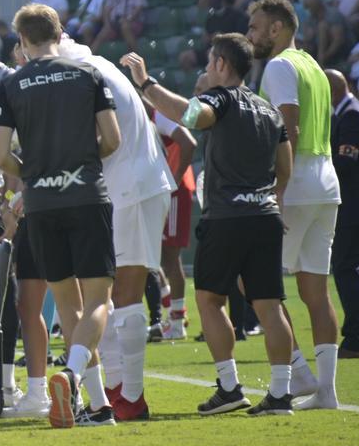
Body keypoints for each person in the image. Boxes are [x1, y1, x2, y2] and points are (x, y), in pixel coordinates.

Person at [122, 34, 297, 417]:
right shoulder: (270, 111)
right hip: (265, 214)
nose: (206, 68)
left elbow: (190, 116)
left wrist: (146, 83)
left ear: (221, 64)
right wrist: (268, 198)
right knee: (271, 305)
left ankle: (229, 386)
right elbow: (285, 170)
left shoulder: (220, 99)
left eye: (209, 62)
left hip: (228, 216)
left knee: (210, 300)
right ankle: (281, 394)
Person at [0, 3, 122, 428]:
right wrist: (78, 164)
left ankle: (97, 406)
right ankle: (70, 374)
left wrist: (33, 172)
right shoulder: (88, 74)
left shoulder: (14, 82)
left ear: (22, 41)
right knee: (101, 300)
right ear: (59, 33)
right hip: (86, 195)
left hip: (42, 206)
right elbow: (112, 140)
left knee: (69, 305)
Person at [60, 34, 175, 422]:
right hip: (127, 187)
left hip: (130, 188)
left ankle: (132, 397)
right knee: (104, 293)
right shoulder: (94, 65)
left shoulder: (80, 71)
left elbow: (101, 138)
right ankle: (115, 389)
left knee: (125, 292)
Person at [246, 0, 342, 410]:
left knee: (253, 280)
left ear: (277, 29)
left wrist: (277, 183)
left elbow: (289, 122)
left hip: (296, 184)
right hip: (326, 185)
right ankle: (328, 391)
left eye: (255, 27)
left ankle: (298, 374)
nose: (250, 34)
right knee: (316, 292)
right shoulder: (316, 68)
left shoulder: (280, 66)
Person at [325, 69, 359, 359]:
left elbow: (347, 161)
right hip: (355, 206)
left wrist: (320, 163)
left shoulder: (351, 114)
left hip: (353, 207)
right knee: (354, 270)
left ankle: (356, 337)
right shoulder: (350, 111)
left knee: (346, 269)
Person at [153, 109, 197, 341]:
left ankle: (178, 321)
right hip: (160, 190)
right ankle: (173, 311)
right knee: (154, 255)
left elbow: (189, 142)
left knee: (170, 256)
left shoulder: (159, 114)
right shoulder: (146, 114)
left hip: (174, 191)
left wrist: (175, 179)